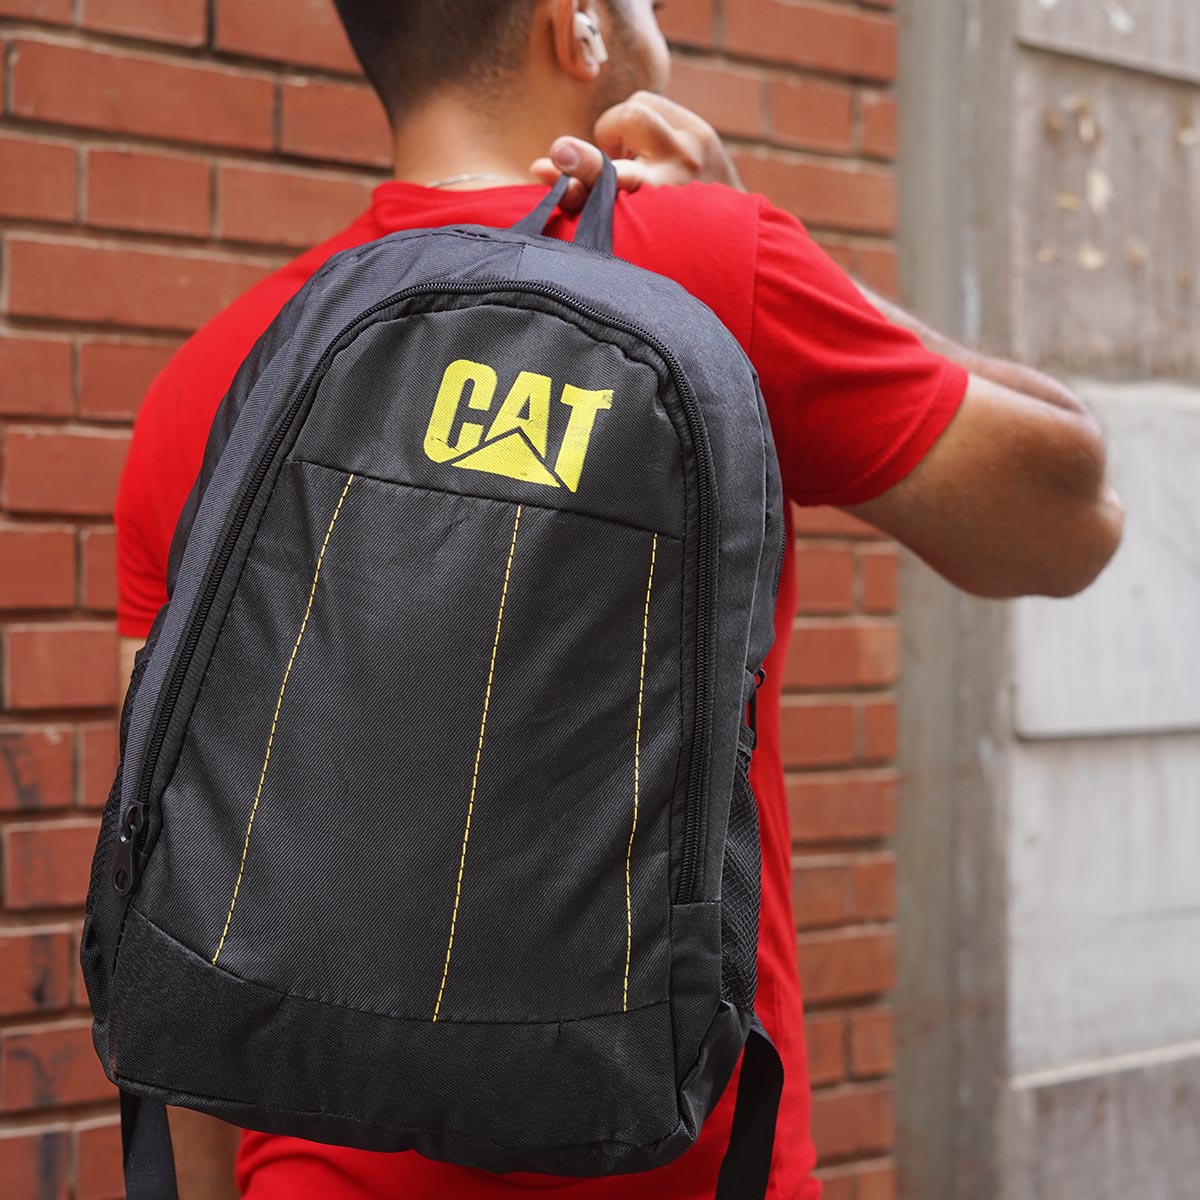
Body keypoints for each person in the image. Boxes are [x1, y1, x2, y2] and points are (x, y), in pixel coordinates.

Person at [112, 2, 1125, 1197]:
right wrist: (776, 259)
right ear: (578, 25)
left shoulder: (223, 372)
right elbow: (1073, 517)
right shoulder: (705, 263)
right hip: (678, 1163)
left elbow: (166, 871)